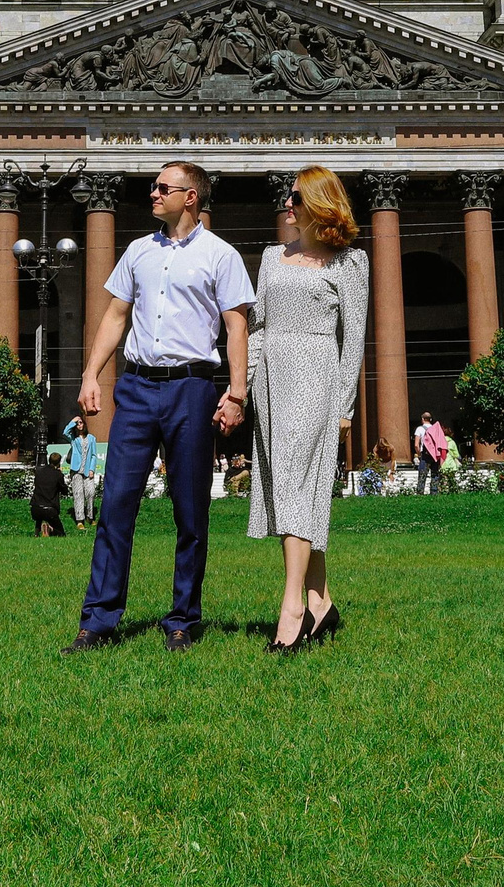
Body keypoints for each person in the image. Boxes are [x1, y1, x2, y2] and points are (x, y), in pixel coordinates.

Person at [65, 162, 253, 654]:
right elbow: (115, 316)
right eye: (153, 186)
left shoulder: (221, 255)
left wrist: (236, 393)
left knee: (190, 511)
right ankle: (97, 622)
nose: (152, 192)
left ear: (190, 197)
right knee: (115, 505)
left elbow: (236, 326)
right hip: (135, 388)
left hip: (192, 388)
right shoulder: (138, 251)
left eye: (162, 187)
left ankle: (182, 620)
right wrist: (90, 374)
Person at [247, 166, 372, 653]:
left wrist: (344, 406)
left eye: (296, 197)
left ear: (320, 203)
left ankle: (292, 608)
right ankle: (322, 602)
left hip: (316, 375)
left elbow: (353, 338)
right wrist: (246, 386)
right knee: (291, 488)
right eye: (288, 195)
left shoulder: (350, 262)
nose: (288, 203)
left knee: (297, 486)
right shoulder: (271, 257)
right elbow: (258, 325)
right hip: (271, 382)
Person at [64, 420, 103, 528]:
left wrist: (92, 469)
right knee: (78, 494)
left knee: (91, 492)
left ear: (84, 424)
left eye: (81, 423)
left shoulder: (91, 438)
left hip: (87, 470)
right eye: (77, 424)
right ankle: (79, 520)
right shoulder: (74, 438)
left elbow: (94, 455)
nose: (79, 425)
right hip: (76, 470)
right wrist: (73, 420)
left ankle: (90, 516)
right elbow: (65, 432)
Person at [30, 452, 68, 537]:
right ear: (59, 462)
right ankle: (50, 529)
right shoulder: (58, 474)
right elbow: (64, 491)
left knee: (39, 515)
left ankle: (37, 532)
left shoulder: (39, 472)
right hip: (50, 509)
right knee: (61, 534)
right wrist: (60, 474)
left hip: (35, 507)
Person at [413, 412, 445, 495]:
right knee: (435, 474)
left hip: (425, 454)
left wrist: (419, 454)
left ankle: (420, 493)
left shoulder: (419, 429)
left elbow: (416, 445)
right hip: (435, 455)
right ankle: (434, 493)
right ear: (430, 419)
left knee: (422, 474)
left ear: (422, 419)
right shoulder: (436, 429)